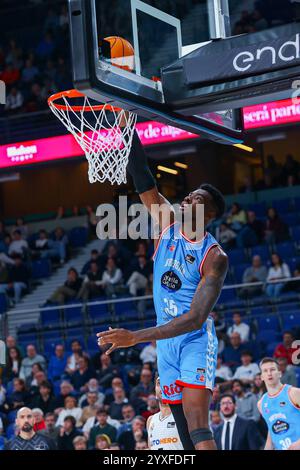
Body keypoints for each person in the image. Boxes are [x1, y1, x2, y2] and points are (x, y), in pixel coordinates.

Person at [97, 132, 228, 451]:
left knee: (198, 423)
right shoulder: (167, 222)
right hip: (165, 343)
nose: (187, 200)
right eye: (189, 196)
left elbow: (196, 318)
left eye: (197, 199)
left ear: (208, 215)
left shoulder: (214, 257)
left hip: (194, 339)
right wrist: (128, 128)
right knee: (181, 426)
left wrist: (137, 337)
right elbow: (142, 176)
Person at [258, 357, 300, 450]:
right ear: (261, 377)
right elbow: (271, 432)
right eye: (265, 371)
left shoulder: (294, 393)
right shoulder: (261, 403)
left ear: (279, 374)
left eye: (272, 370)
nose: (269, 373)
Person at [147, 376, 183, 450]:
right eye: (159, 383)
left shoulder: (184, 415)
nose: (163, 386)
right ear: (155, 392)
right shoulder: (150, 420)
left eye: (167, 382)